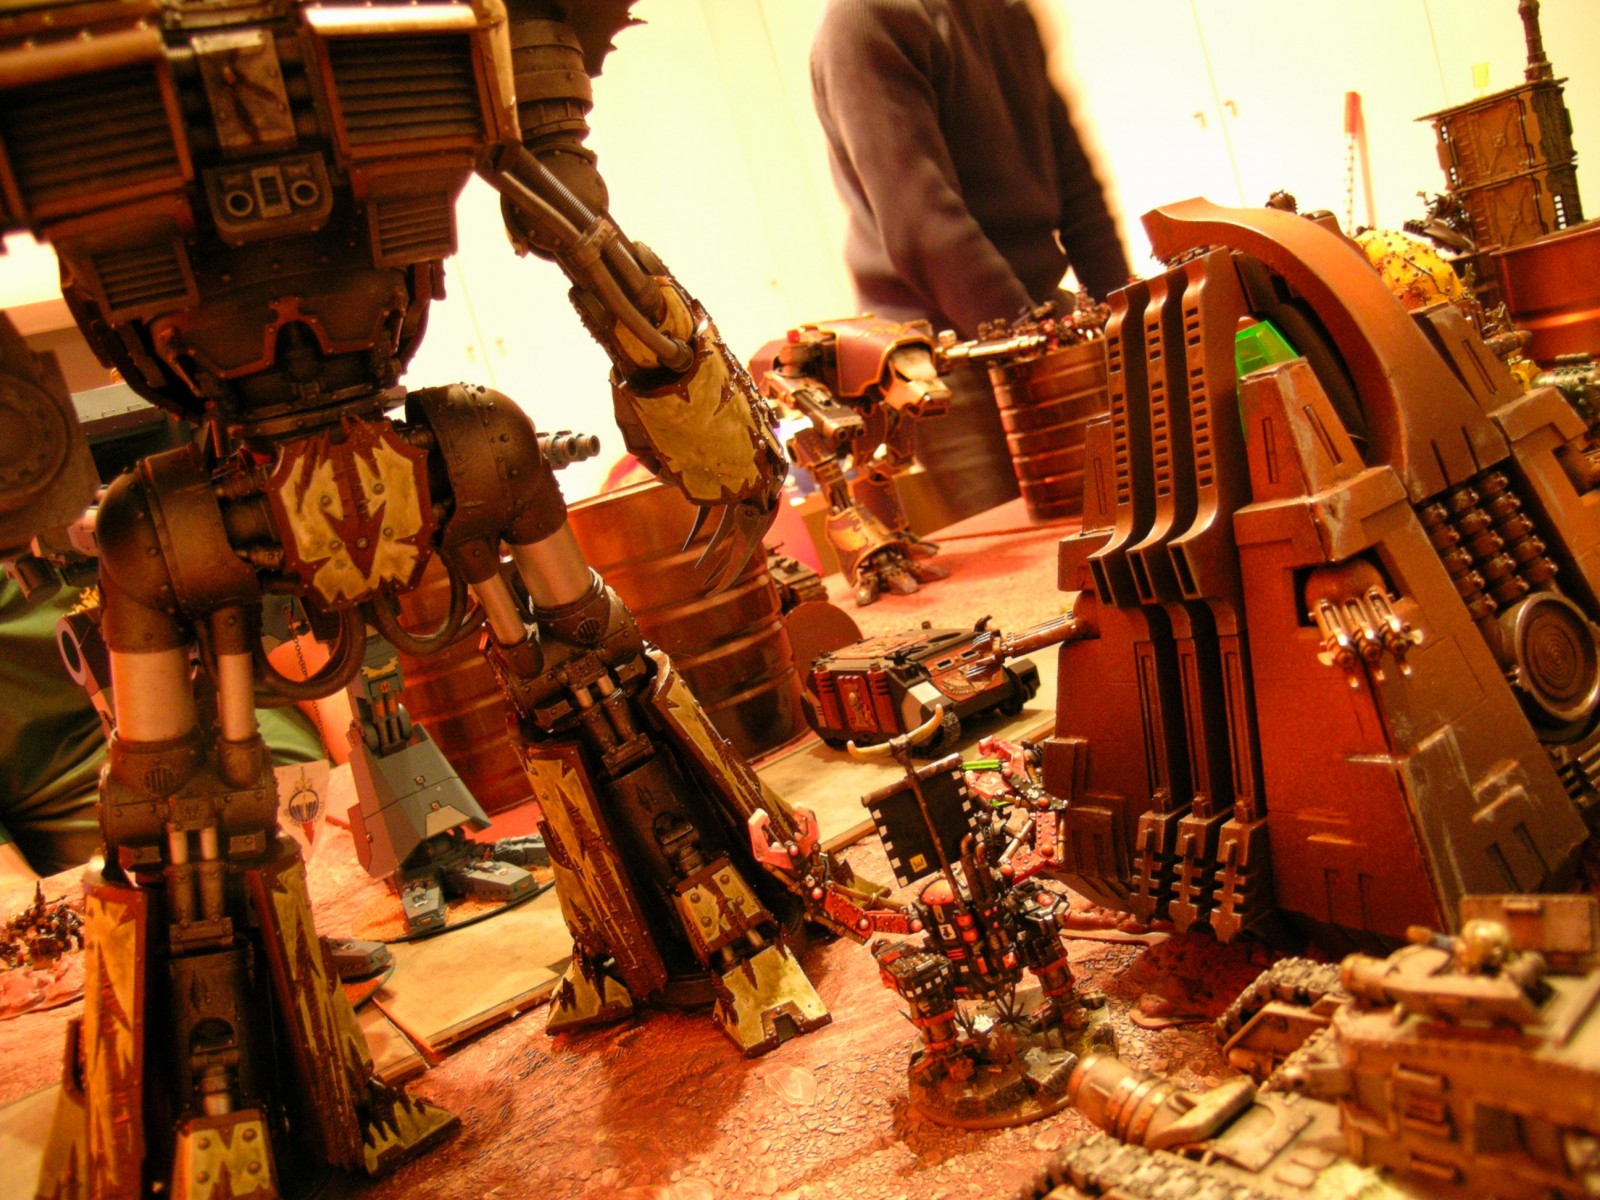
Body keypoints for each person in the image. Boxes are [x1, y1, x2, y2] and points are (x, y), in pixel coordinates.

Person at [811, 0, 1131, 515]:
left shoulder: (1006, 11)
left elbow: (1078, 189)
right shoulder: (867, 19)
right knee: (1034, 548)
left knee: (1118, 519)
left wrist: (1129, 320)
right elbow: (923, 226)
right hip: (947, 358)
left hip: (1037, 331)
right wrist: (1036, 345)